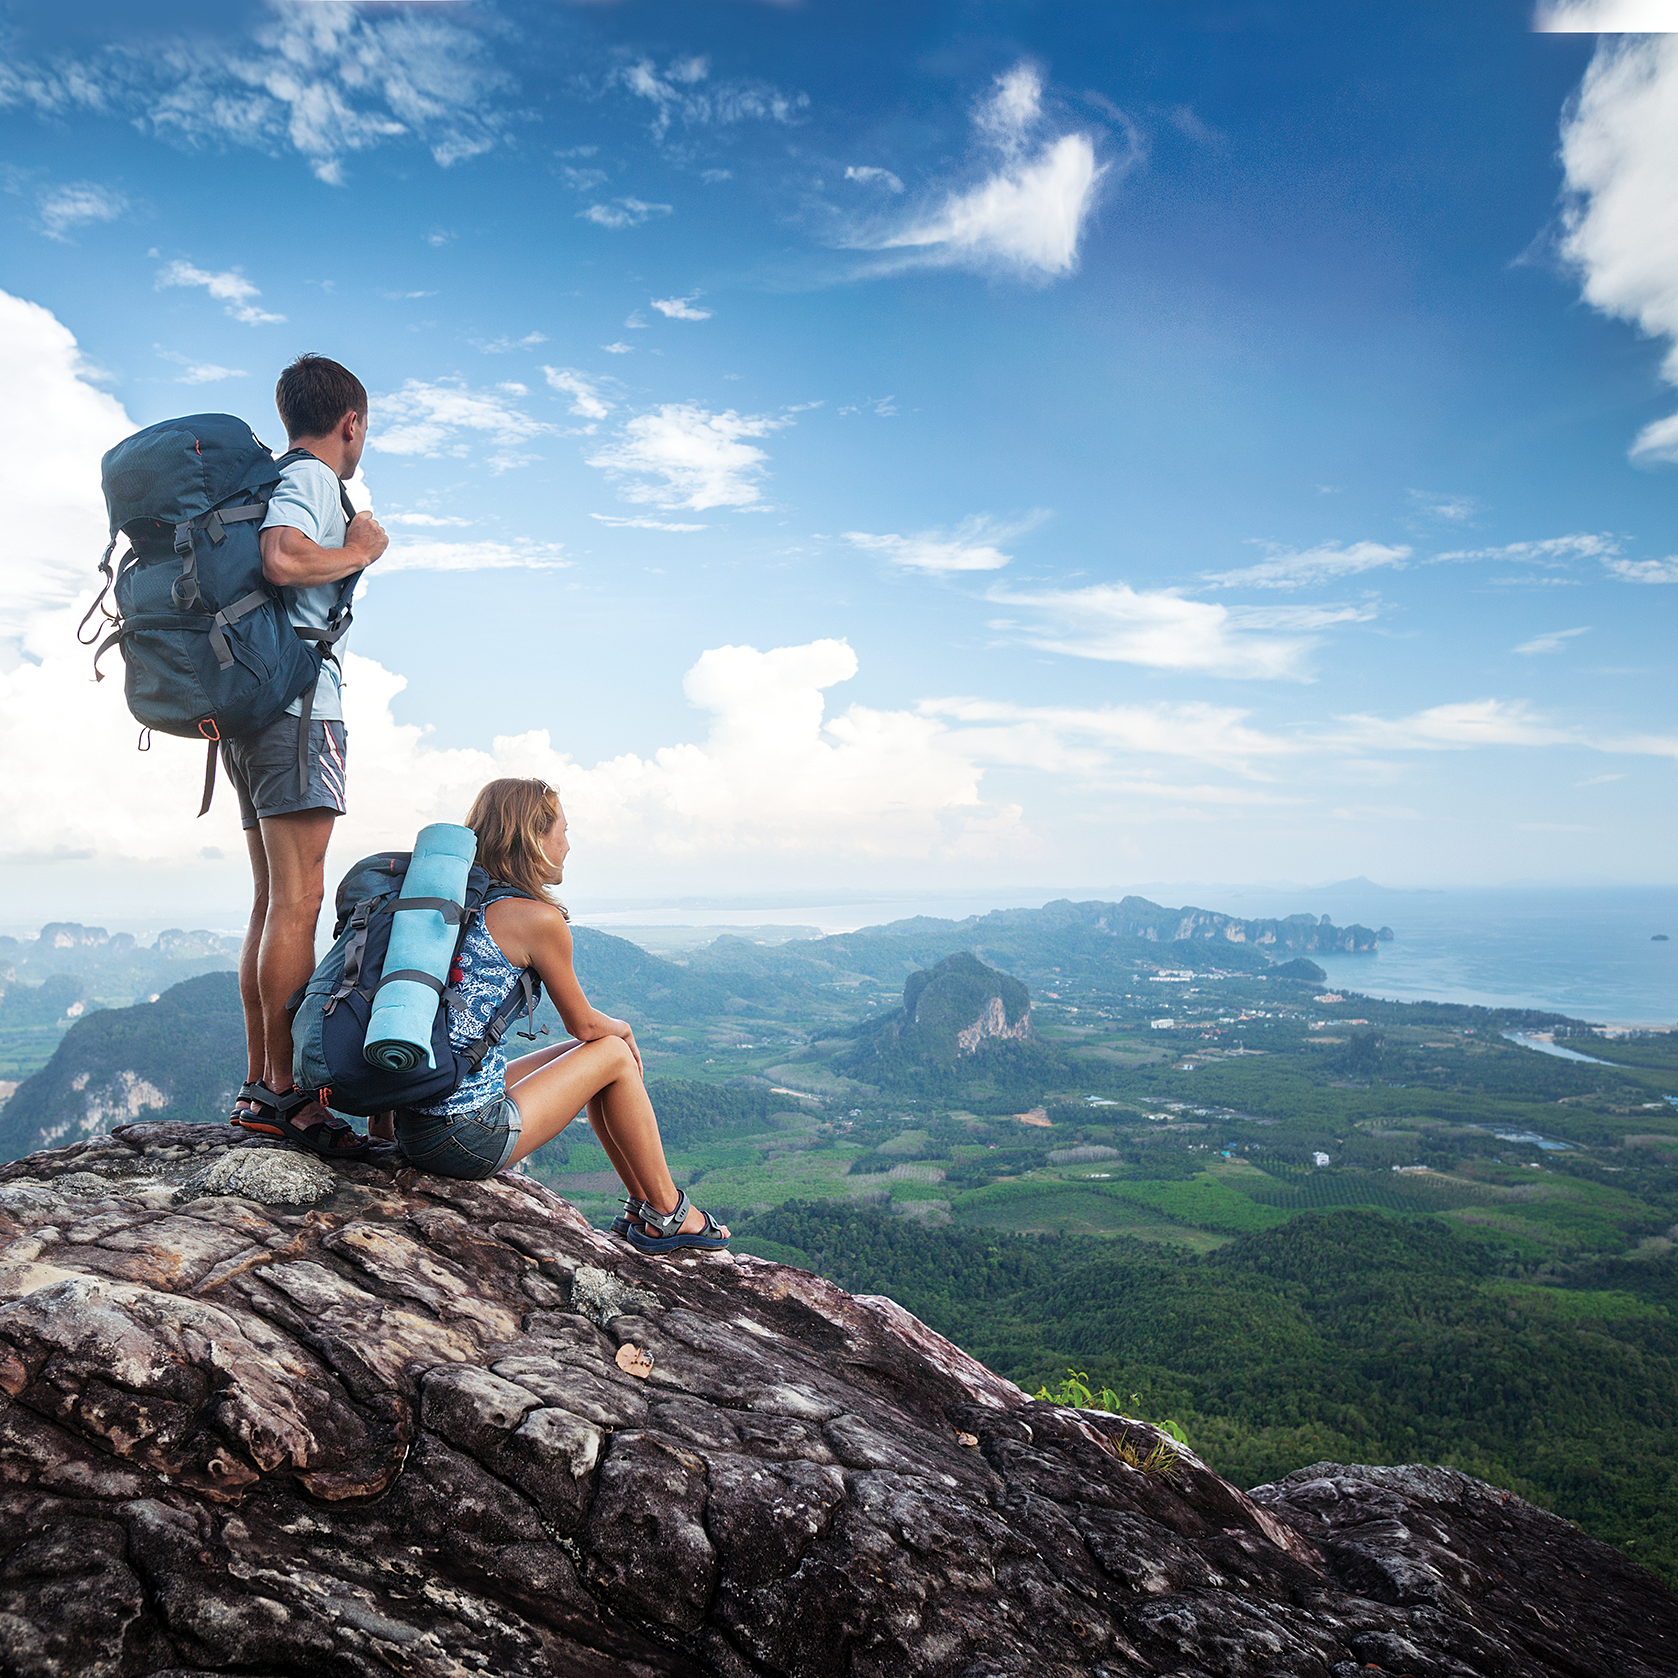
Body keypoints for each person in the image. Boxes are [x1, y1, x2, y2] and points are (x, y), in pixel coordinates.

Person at [395, 777, 730, 1254]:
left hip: (416, 1120)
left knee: (590, 1056)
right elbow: (586, 1025)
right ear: (533, 838)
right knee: (610, 1050)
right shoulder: (535, 919)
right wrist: (625, 1030)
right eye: (563, 832)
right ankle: (669, 1211)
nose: (568, 846)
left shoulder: (451, 903)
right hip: (463, 1138)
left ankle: (643, 1205)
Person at [229, 355, 389, 1157]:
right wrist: (360, 550)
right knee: (297, 900)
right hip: (297, 713)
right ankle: (286, 1096)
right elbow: (284, 558)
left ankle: (264, 1086)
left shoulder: (272, 475)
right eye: (365, 428)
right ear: (350, 422)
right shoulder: (315, 482)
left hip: (254, 713)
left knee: (270, 902)